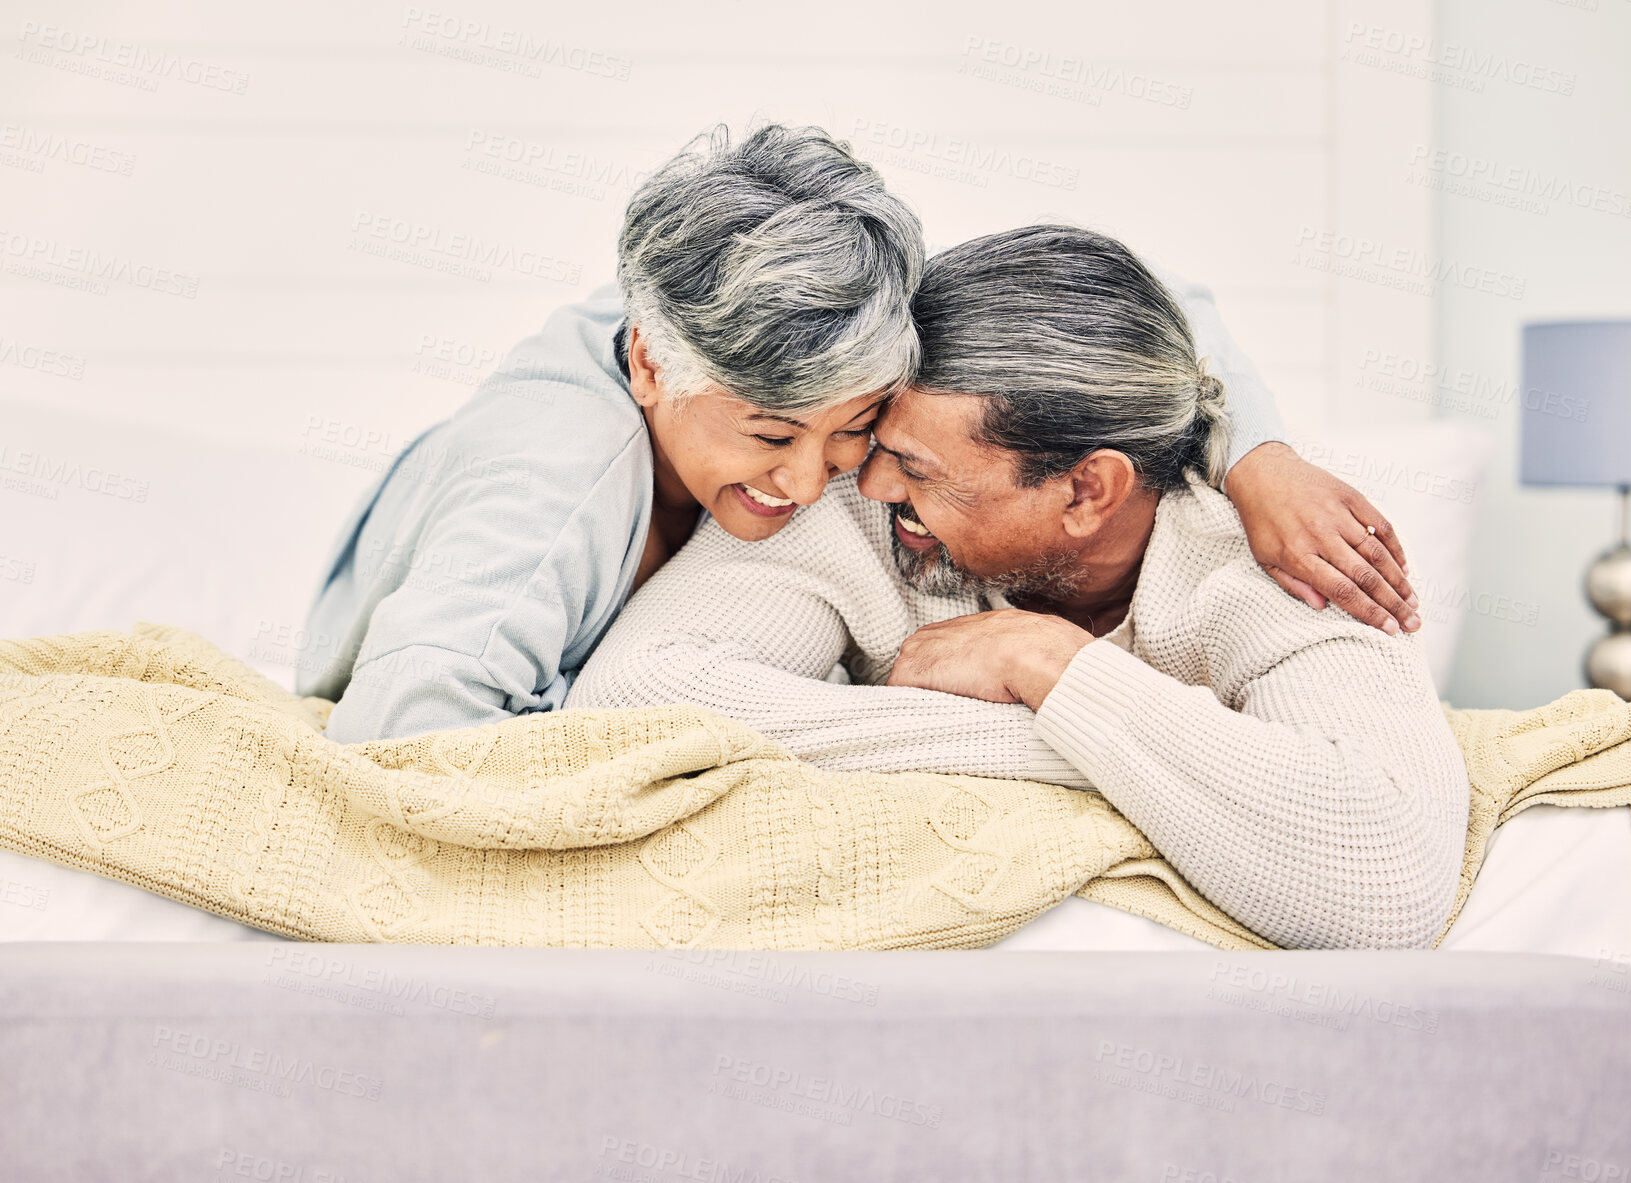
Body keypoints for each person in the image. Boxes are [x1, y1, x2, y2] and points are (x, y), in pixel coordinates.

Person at [301, 121, 1420, 747]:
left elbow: (1128, 309)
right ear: (648, 364)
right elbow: (396, 739)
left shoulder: (840, 311)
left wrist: (1258, 453)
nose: (812, 481)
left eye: (856, 432)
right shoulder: (548, 486)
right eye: (768, 433)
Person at [568, 226, 1469, 950]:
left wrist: (1053, 666)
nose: (867, 484)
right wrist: (1110, 747)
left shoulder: (1278, 561)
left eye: (916, 468)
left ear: (1087, 491)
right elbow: (631, 701)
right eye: (875, 439)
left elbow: (1384, 884)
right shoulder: (853, 492)